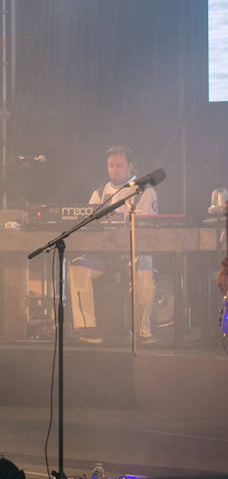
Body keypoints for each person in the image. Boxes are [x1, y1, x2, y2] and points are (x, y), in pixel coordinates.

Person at [69, 146, 158, 343]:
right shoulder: (98, 194)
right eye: (110, 166)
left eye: (119, 165)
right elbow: (88, 226)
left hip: (132, 255)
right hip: (103, 257)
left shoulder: (145, 192)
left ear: (130, 166)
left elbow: (150, 229)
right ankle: (86, 328)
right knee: (77, 266)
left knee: (144, 269)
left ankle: (142, 331)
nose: (114, 170)